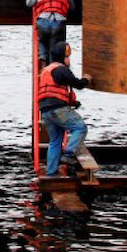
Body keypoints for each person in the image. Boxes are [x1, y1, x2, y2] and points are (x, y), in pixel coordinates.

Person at [38, 41, 91, 175]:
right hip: (58, 109)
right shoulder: (61, 69)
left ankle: (51, 173)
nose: (69, 60)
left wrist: (74, 102)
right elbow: (78, 84)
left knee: (55, 141)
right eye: (67, 57)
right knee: (80, 128)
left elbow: (54, 92)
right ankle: (69, 154)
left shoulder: (46, 71)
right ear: (62, 57)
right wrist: (86, 79)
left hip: (45, 111)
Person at [26, 0, 73, 64]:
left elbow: (29, 3)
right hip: (59, 22)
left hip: (43, 21)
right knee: (55, 46)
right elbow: (72, 7)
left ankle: (43, 56)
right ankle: (52, 64)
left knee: (42, 40)